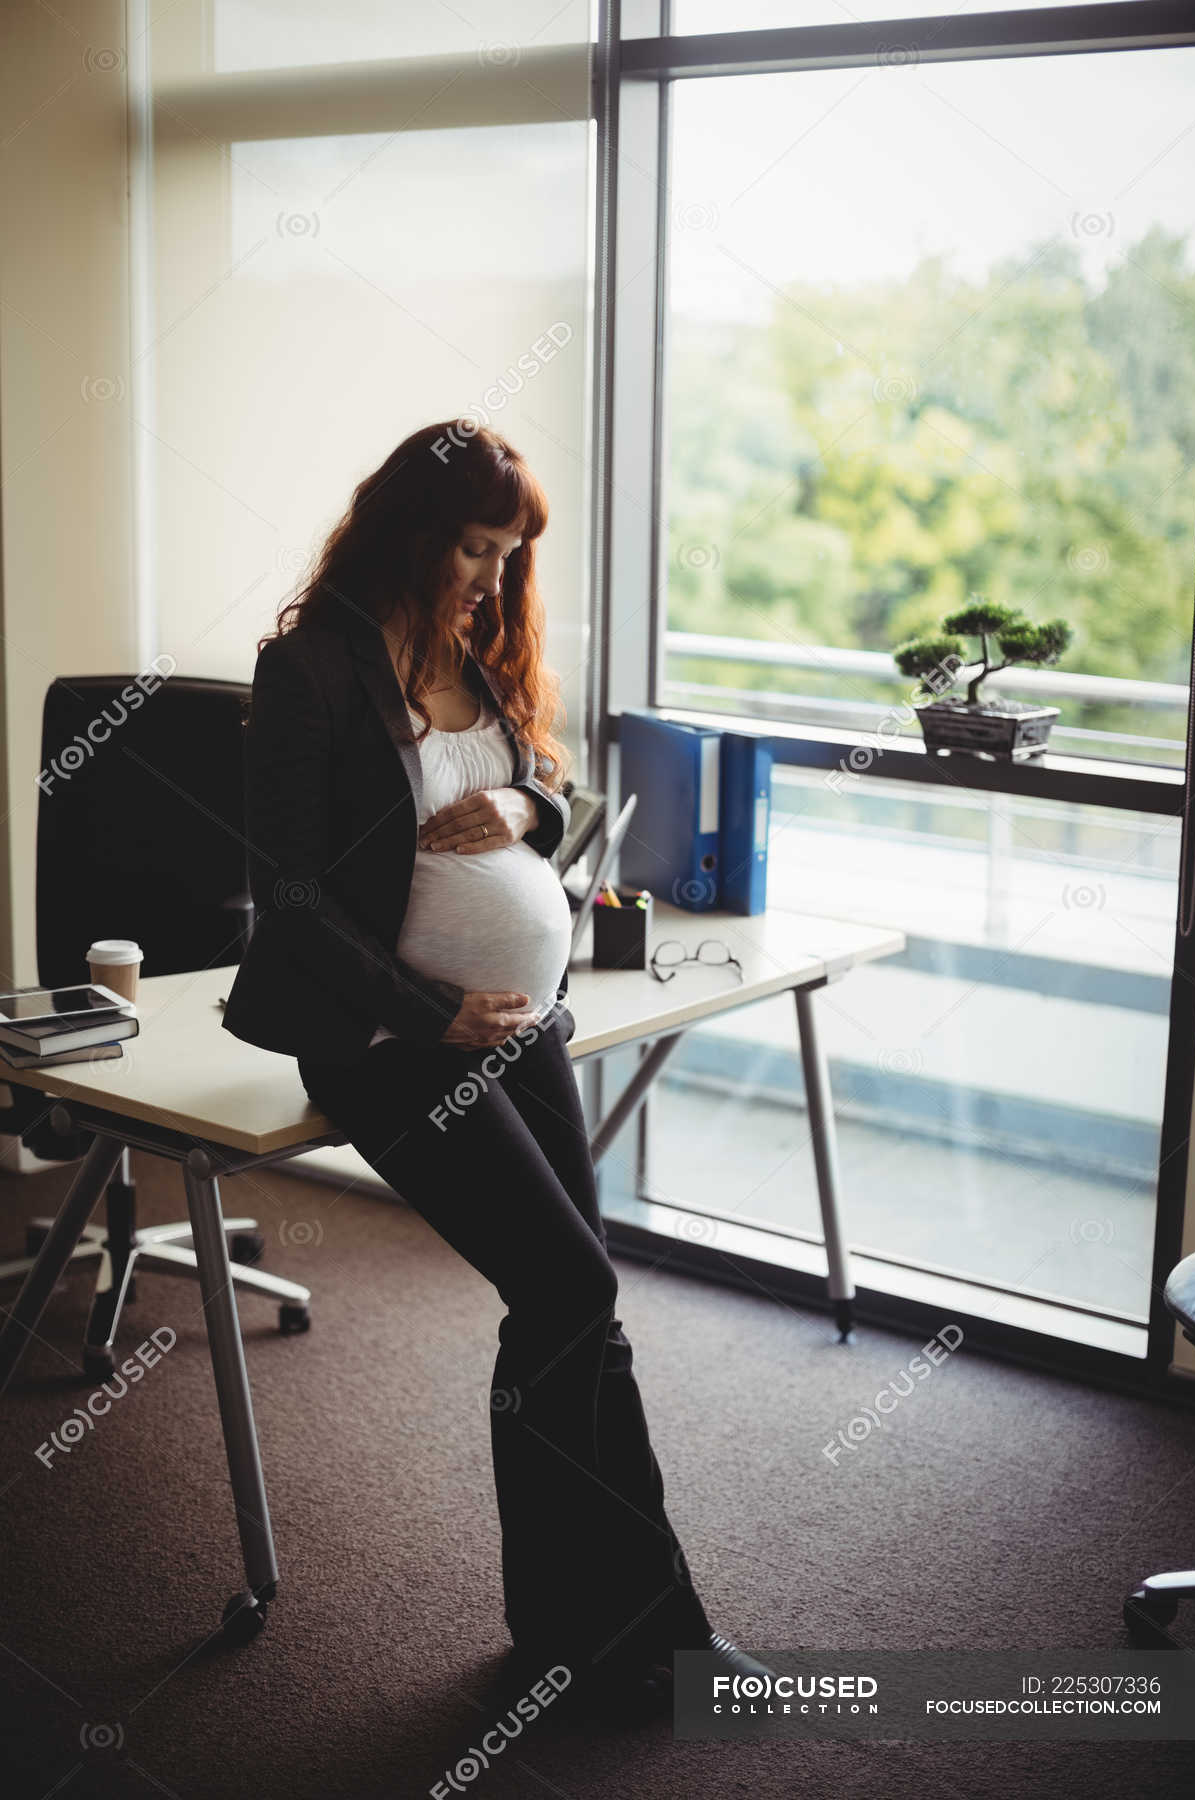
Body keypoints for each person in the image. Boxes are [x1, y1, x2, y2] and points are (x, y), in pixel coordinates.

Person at [220, 420, 768, 1721]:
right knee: (570, 1285)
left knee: (580, 1307)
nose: (489, 573)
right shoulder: (310, 669)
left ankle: (613, 1630)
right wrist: (430, 1009)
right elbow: (287, 893)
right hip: (385, 1040)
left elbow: (562, 800)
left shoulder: (474, 652)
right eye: (475, 547)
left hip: (517, 1022)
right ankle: (597, 1634)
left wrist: (528, 807)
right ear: (414, 530)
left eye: (506, 552)